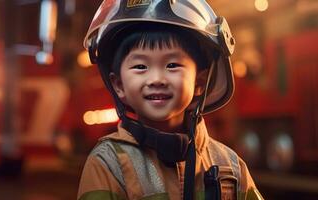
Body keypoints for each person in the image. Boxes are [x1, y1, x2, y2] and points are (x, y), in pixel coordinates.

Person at [77, 0, 264, 200]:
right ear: (119, 85)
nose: (157, 79)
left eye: (172, 65)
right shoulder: (108, 164)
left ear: (200, 82)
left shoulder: (231, 167)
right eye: (140, 66)